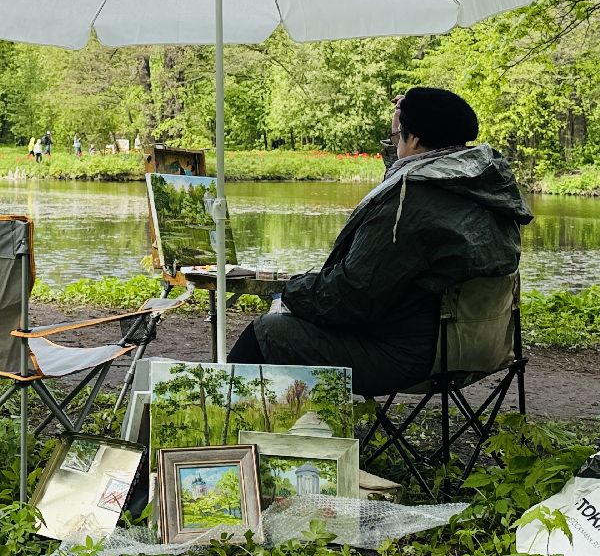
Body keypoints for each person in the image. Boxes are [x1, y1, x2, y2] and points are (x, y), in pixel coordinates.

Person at [228, 86, 532, 397]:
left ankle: (221, 421)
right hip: (479, 350)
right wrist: (408, 122)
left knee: (268, 332)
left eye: (398, 134)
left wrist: (290, 289)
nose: (395, 139)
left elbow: (351, 296)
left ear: (414, 139)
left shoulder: (407, 204)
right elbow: (405, 167)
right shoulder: (484, 189)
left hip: (407, 358)